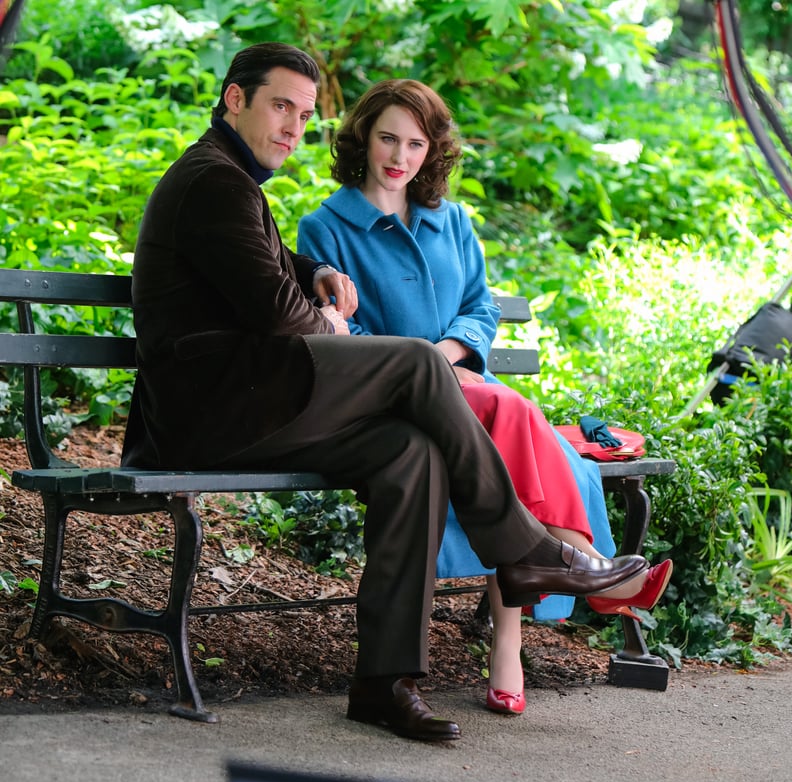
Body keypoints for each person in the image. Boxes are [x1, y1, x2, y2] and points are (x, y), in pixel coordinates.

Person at [121, 43, 651, 742]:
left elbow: (275, 269)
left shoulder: (232, 182)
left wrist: (315, 274)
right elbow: (282, 318)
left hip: (248, 404)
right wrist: (327, 312)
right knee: (415, 364)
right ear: (234, 100)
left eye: (304, 115)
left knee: (410, 453)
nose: (292, 127)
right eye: (281, 106)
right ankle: (524, 547)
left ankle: (384, 681)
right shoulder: (213, 181)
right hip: (209, 415)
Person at [297, 78, 673, 715]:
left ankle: (510, 635)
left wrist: (447, 358)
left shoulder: (452, 219)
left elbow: (479, 307)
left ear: (431, 150)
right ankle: (591, 571)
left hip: (462, 379)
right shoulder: (325, 227)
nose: (400, 155)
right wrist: (425, 370)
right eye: (388, 137)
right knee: (520, 414)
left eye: (416, 143)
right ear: (363, 138)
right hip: (389, 397)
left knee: (524, 445)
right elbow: (342, 333)